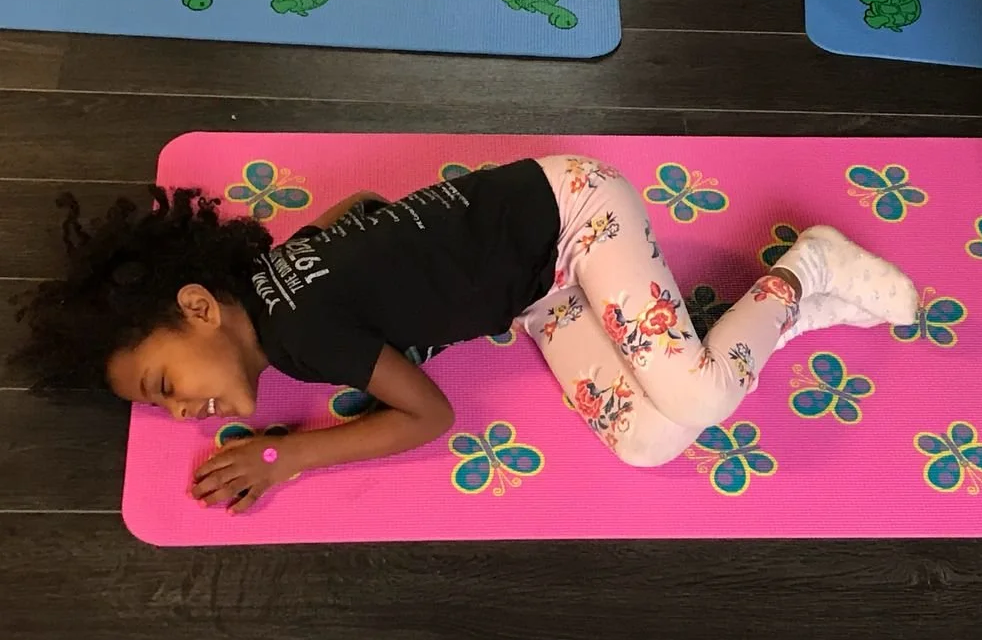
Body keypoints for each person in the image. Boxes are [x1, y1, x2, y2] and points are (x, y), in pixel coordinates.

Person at [13, 156, 918, 513]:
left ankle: (808, 270)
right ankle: (788, 317)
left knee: (701, 394)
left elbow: (431, 415)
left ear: (199, 307)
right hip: (541, 296)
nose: (181, 411)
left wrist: (284, 457)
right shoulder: (270, 279)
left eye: (163, 384)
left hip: (578, 217)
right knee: (650, 441)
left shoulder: (304, 336)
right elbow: (359, 206)